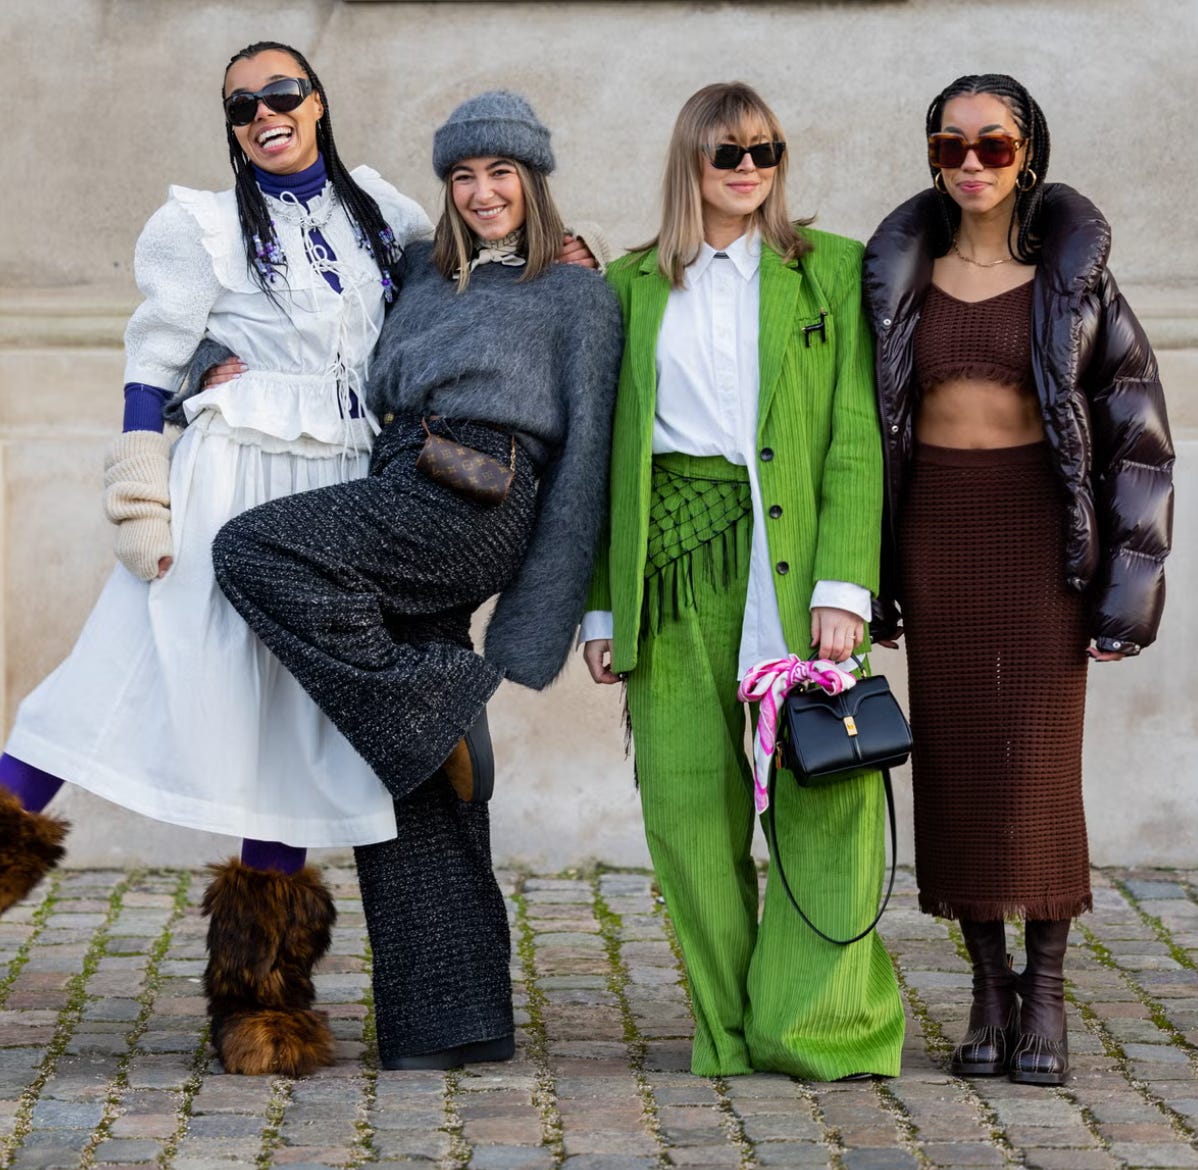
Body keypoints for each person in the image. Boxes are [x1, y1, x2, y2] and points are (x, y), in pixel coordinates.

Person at [0, 41, 436, 1077]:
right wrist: (141, 500)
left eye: (282, 93)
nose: (263, 113)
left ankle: (262, 1004)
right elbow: (148, 364)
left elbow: (456, 286)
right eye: (242, 105)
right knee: (105, 686)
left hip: (341, 492)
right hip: (226, 484)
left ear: (318, 102)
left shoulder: (387, 212)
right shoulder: (196, 227)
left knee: (289, 732)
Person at [212, 90, 623, 1070]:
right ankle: (452, 1022)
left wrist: (541, 618)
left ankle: (433, 696)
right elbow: (302, 310)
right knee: (415, 779)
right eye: (464, 176)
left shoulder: (577, 295)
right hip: (399, 474)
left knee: (254, 550)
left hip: (477, 498)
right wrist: (211, 359)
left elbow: (588, 462)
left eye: (501, 172)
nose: (482, 192)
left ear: (534, 179)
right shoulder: (418, 271)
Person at [582, 82, 905, 1080]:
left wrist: (844, 587)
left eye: (767, 151)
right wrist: (603, 605)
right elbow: (604, 459)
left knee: (827, 797)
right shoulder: (630, 285)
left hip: (797, 565)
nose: (750, 169)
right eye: (729, 152)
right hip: (672, 566)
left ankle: (814, 1027)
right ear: (692, 160)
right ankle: (727, 1028)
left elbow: (855, 434)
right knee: (688, 810)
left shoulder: (830, 270)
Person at [863, 73, 1173, 1086]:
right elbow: (862, 431)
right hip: (935, 535)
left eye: (992, 145)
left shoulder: (1074, 281)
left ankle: (1044, 991)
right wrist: (869, 575)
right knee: (955, 763)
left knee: (1035, 766)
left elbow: (1137, 437)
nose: (971, 164)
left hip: (1043, 538)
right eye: (949, 146)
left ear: (1027, 154)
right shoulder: (897, 277)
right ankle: (987, 991)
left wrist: (1126, 595)